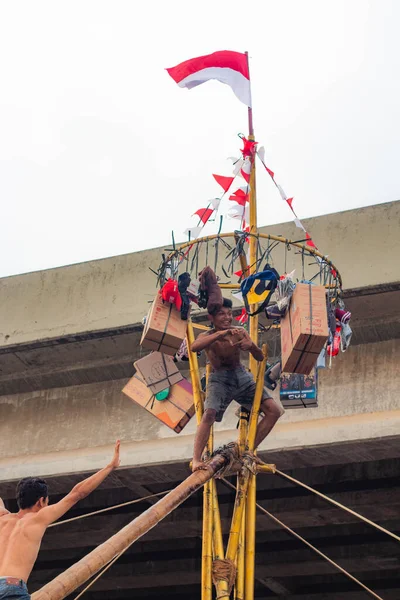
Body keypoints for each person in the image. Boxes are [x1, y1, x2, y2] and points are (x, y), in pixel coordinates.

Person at [0, 440, 121, 599]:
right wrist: (110, 466)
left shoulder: (3, 518)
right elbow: (77, 494)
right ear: (41, 501)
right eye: (47, 501)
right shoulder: (38, 518)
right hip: (12, 588)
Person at [191, 299, 284, 472]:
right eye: (222, 314)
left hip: (240, 375)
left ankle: (247, 450)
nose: (227, 318)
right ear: (212, 317)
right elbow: (194, 347)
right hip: (219, 378)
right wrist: (220, 334)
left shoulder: (239, 332)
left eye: (229, 313)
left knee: (274, 411)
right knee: (209, 414)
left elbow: (260, 357)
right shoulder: (207, 336)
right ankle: (196, 459)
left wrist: (251, 346)